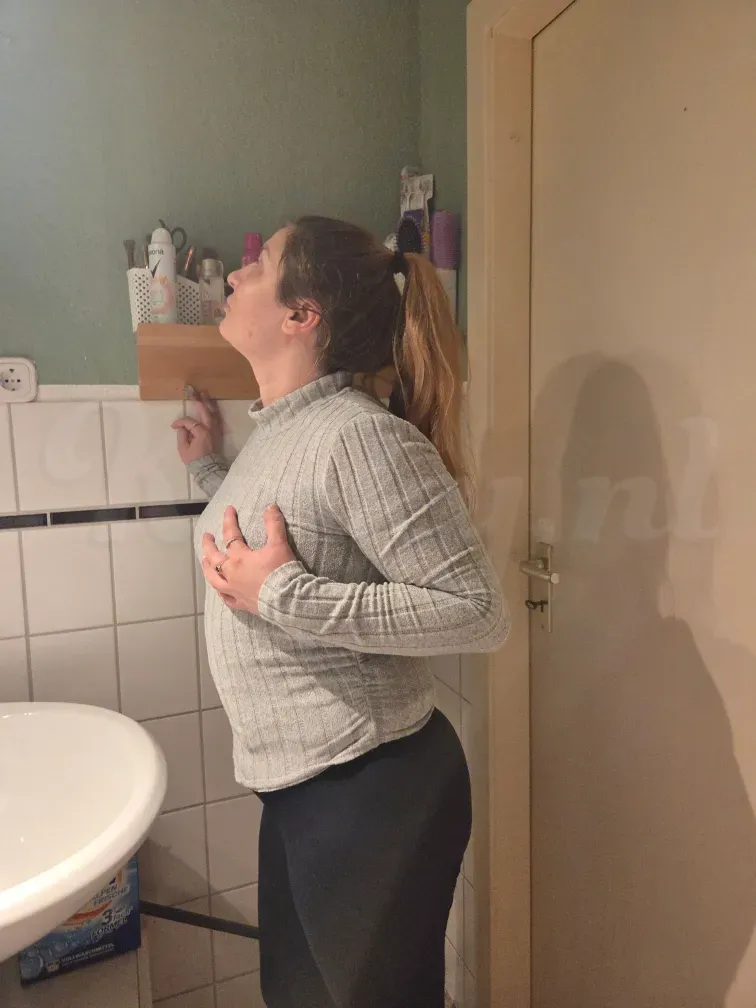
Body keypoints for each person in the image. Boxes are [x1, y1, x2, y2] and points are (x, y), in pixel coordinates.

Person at [171, 216, 509, 1008]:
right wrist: (210, 469)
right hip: (305, 786)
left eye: (259, 266)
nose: (235, 277)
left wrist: (284, 595)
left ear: (302, 314)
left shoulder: (359, 436)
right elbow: (293, 527)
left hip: (373, 788)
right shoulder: (281, 430)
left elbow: (478, 612)